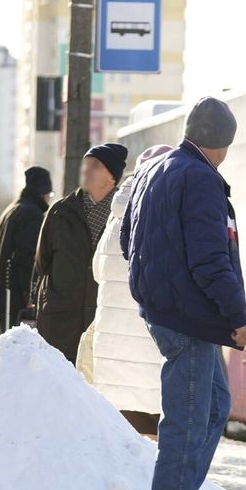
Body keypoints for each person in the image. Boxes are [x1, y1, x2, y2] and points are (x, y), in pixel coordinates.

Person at [123, 98, 246, 490]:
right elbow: (210, 260)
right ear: (222, 144)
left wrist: (157, 284)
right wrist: (238, 318)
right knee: (189, 418)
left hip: (165, 310)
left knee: (216, 405)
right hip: (191, 318)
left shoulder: (154, 171)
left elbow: (127, 240)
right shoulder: (201, 180)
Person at [92, 144, 173, 437]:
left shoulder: (115, 218)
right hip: (146, 340)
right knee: (148, 434)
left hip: (111, 343)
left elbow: (97, 271)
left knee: (118, 433)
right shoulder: (162, 213)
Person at [35, 144, 127, 363]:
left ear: (112, 177)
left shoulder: (124, 216)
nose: (86, 170)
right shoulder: (60, 211)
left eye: (95, 165)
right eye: (86, 164)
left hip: (104, 324)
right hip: (59, 322)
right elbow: (42, 263)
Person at [0, 167, 52, 334]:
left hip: (5, 293)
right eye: (49, 194)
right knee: (18, 349)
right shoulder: (32, 214)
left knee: (7, 347)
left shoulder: (11, 210)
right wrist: (31, 296)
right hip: (18, 297)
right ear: (42, 192)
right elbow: (28, 258)